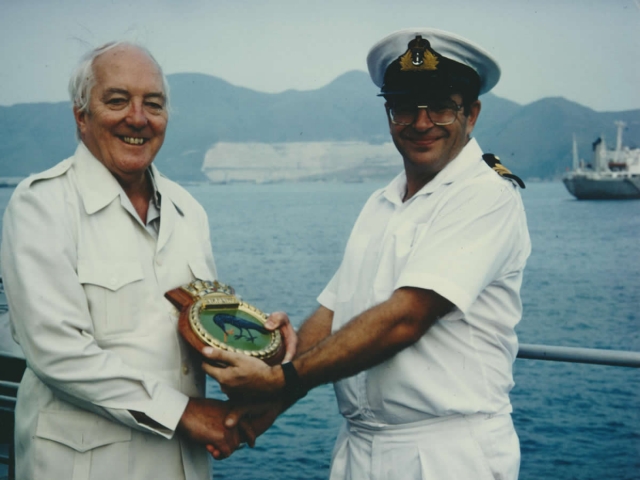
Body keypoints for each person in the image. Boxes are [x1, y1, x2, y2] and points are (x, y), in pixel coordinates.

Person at [201, 28, 531, 480]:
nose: (420, 122)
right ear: (388, 112)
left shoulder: (485, 196)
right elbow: (333, 312)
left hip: (445, 453)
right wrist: (276, 401)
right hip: (360, 447)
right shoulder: (383, 203)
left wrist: (280, 381)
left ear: (470, 115)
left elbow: (406, 316)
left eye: (440, 106)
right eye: (404, 106)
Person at [0, 41, 293, 480]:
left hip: (181, 465)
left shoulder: (188, 211)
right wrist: (184, 412)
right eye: (117, 101)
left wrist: (263, 347)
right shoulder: (41, 205)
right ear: (82, 116)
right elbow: (57, 351)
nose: (137, 118)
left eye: (152, 104)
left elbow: (203, 326)